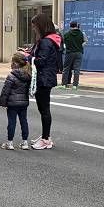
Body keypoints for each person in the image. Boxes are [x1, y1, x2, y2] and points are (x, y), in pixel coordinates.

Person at [27, 14, 62, 150]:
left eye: (35, 26)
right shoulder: (50, 40)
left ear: (41, 26)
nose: (34, 29)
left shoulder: (46, 42)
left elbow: (41, 61)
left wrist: (28, 58)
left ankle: (46, 139)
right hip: (46, 77)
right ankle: (45, 136)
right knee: (43, 109)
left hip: (43, 78)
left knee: (44, 109)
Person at [0, 54, 32, 150]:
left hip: (12, 103)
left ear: (15, 63)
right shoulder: (28, 75)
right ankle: (25, 142)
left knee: (12, 122)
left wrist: (3, 103)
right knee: (24, 121)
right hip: (24, 102)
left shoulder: (11, 75)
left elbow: (5, 91)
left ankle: (10, 142)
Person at [62, 21, 87, 88]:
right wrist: (80, 46)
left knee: (66, 68)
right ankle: (75, 85)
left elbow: (64, 43)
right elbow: (85, 41)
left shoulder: (66, 34)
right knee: (77, 69)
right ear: (76, 25)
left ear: (70, 26)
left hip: (69, 53)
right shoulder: (82, 33)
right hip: (79, 52)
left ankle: (64, 84)